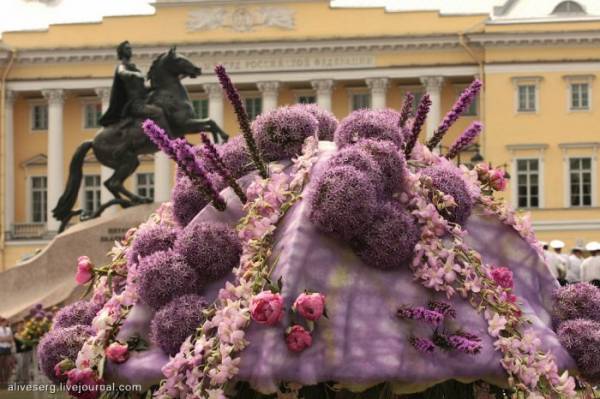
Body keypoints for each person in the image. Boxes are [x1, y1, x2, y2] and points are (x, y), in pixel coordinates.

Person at [99, 40, 172, 135]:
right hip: (136, 105)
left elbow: (143, 89)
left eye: (130, 48)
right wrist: (135, 74)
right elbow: (122, 72)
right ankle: (163, 135)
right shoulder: (122, 66)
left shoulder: (133, 67)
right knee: (158, 112)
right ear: (121, 52)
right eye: (127, 48)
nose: (130, 50)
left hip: (143, 101)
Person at [0, 317, 15, 384]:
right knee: (1, 364)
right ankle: (1, 379)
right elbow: (0, 340)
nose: (5, 323)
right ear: (1, 322)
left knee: (7, 364)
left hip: (8, 348)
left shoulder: (9, 329)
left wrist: (5, 339)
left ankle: (6, 379)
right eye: (4, 322)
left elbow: (11, 339)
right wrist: (7, 339)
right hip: (1, 348)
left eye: (6, 322)